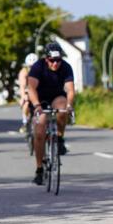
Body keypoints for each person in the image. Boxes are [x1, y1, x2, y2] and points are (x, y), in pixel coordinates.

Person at [27, 42, 75, 185]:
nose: (55, 64)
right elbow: (31, 88)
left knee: (62, 108)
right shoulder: (37, 67)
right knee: (40, 130)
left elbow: (70, 90)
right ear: (46, 59)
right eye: (52, 60)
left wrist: (70, 105)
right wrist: (36, 105)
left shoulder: (66, 67)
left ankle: (59, 138)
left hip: (56, 96)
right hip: (39, 100)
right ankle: (39, 169)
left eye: (58, 60)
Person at [18, 52, 38, 133]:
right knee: (26, 103)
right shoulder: (24, 72)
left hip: (37, 90)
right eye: (30, 66)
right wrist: (23, 96)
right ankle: (25, 122)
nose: (32, 68)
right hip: (27, 91)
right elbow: (22, 86)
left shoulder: (41, 70)